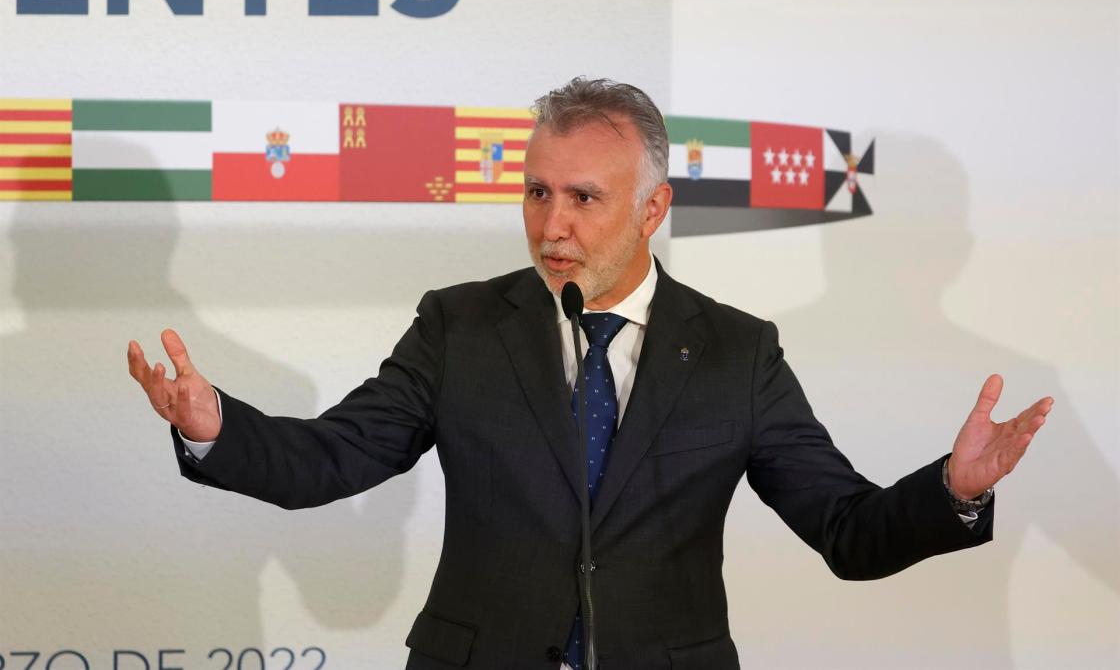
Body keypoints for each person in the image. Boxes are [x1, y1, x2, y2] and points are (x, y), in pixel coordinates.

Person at [127, 78, 1052, 670]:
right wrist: (213, 425)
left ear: (654, 209)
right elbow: (333, 458)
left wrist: (953, 492)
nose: (551, 225)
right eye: (535, 192)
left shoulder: (738, 350)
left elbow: (849, 531)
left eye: (582, 197)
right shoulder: (461, 323)